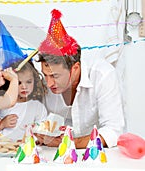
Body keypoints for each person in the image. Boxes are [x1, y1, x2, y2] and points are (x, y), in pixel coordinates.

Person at [34, 9, 125, 148]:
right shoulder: (44, 83)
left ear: (75, 68)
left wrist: (66, 143)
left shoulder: (103, 75)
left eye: (55, 76)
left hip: (100, 156)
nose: (49, 83)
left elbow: (113, 131)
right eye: (45, 75)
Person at [0, 61, 47, 141]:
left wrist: (36, 133)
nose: (24, 87)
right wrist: (2, 124)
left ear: (35, 81)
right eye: (18, 82)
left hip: (27, 149)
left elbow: (42, 132)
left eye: (29, 82)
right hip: (3, 147)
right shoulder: (2, 104)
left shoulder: (37, 107)